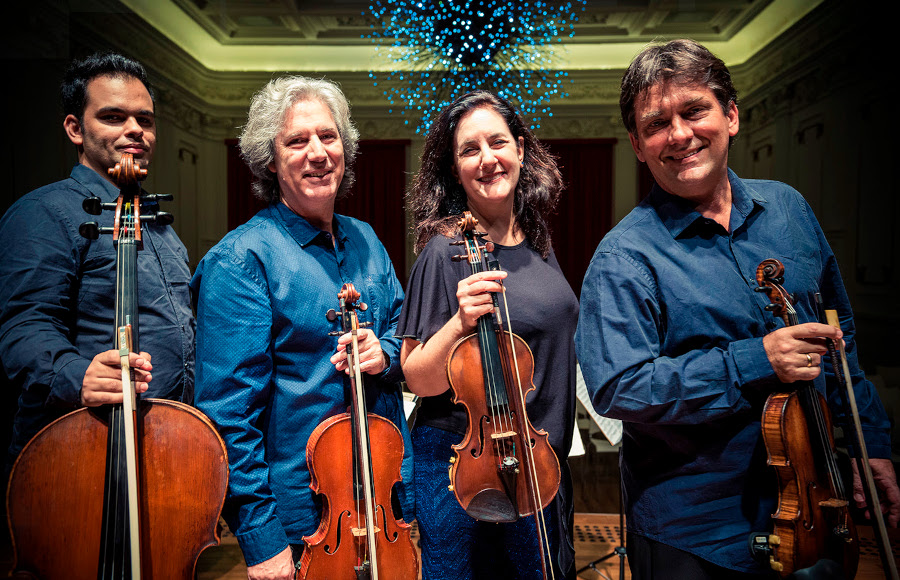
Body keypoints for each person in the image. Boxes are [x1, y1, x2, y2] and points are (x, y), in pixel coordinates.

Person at [575, 38, 900, 579]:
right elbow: (619, 388)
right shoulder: (623, 257)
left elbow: (841, 342)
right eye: (656, 124)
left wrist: (871, 443)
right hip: (695, 534)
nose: (679, 134)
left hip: (820, 507)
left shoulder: (790, 210)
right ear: (637, 145)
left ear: (730, 115)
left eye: (693, 111)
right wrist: (756, 360)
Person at [191, 76, 412, 579]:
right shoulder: (240, 260)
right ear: (270, 159)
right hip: (303, 520)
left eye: (328, 137)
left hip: (382, 501)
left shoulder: (367, 240)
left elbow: (404, 330)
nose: (318, 153)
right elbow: (228, 416)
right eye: (297, 140)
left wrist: (385, 352)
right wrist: (261, 539)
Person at [398, 90, 578, 579]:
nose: (487, 159)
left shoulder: (538, 241)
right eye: (469, 150)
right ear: (454, 168)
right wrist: (459, 322)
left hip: (539, 460)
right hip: (468, 468)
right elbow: (416, 377)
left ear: (519, 148)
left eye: (497, 143)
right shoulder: (444, 253)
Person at [0, 52, 194, 473]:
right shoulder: (44, 212)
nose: (135, 130)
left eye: (145, 120)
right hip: (80, 450)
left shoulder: (158, 224)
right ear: (75, 128)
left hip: (165, 448)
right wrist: (77, 374)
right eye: (113, 117)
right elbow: (25, 325)